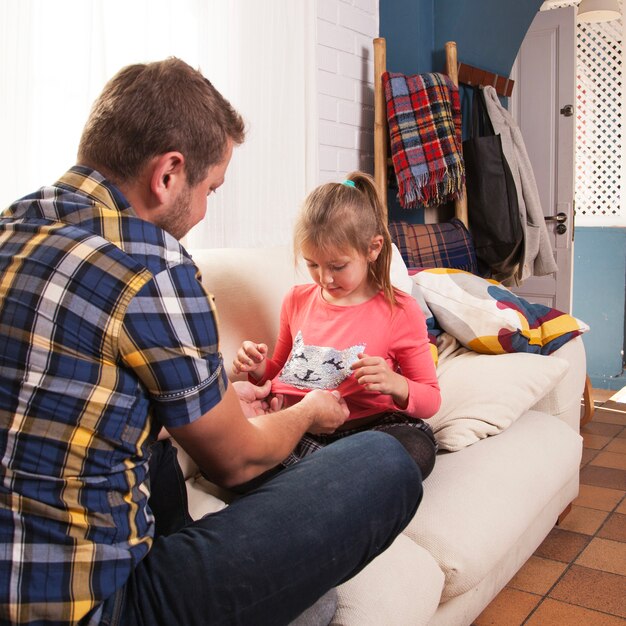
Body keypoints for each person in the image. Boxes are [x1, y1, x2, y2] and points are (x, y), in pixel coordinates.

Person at [0, 58, 424, 626]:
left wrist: (223, 394)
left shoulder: (14, 225)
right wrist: (305, 415)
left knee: (151, 430)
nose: (203, 210)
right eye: (211, 189)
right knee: (383, 464)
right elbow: (236, 463)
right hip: (97, 607)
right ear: (169, 173)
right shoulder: (152, 265)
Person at [233, 172, 441, 480]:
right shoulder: (296, 300)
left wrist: (396, 384)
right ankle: (328, 486)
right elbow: (281, 369)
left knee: (415, 450)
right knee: (231, 459)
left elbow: (431, 398)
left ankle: (310, 483)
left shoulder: (400, 310)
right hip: (302, 430)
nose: (324, 279)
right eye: (312, 265)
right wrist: (260, 366)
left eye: (337, 266)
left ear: (373, 248)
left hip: (369, 431)